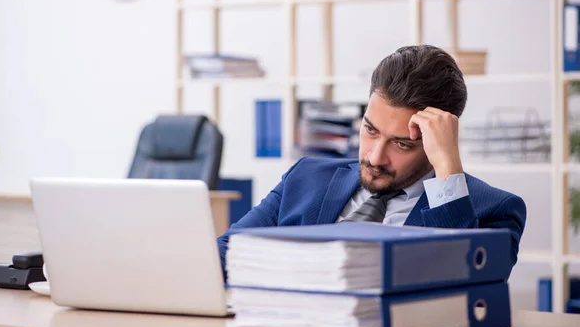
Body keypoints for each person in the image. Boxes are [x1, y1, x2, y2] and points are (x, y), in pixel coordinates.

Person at [217, 45, 526, 279]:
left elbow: (462, 291)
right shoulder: (305, 179)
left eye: (402, 143)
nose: (375, 157)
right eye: (370, 130)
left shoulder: (494, 210)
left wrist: (447, 167)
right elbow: (225, 257)